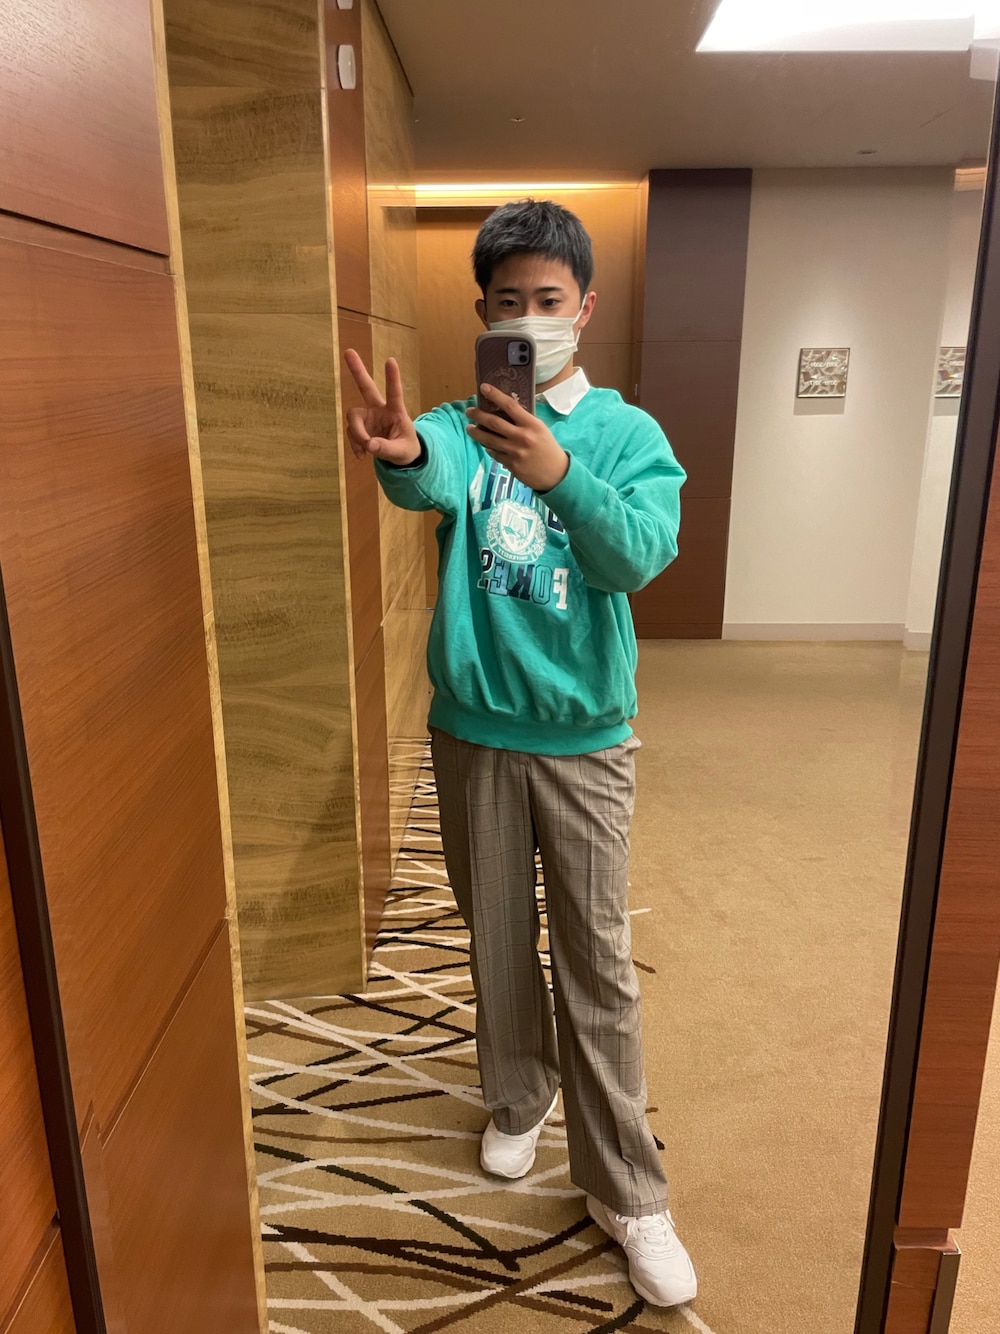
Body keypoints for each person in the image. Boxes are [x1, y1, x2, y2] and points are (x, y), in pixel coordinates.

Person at [343, 199, 695, 1307]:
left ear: (584, 309)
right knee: (496, 935)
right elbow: (428, 469)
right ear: (484, 312)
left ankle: (629, 1189)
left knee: (595, 958)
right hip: (475, 732)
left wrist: (558, 472)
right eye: (509, 302)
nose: (529, 318)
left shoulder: (627, 435)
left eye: (549, 299)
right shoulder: (464, 419)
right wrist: (404, 450)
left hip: (585, 742)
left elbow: (637, 556)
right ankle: (517, 1094)